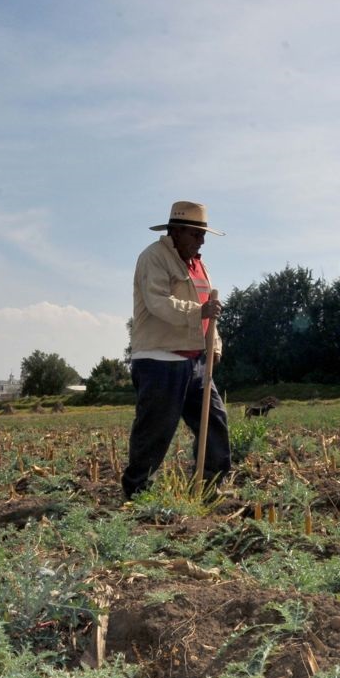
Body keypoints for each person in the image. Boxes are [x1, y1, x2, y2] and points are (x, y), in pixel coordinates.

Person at [121, 200, 231, 499]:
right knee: (155, 433)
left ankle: (210, 486)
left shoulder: (199, 264)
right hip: (159, 359)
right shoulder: (153, 258)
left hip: (195, 361)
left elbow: (211, 310)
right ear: (176, 231)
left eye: (203, 234)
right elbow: (158, 302)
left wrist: (215, 345)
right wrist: (200, 312)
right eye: (196, 234)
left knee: (215, 423)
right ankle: (138, 494)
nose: (202, 240)